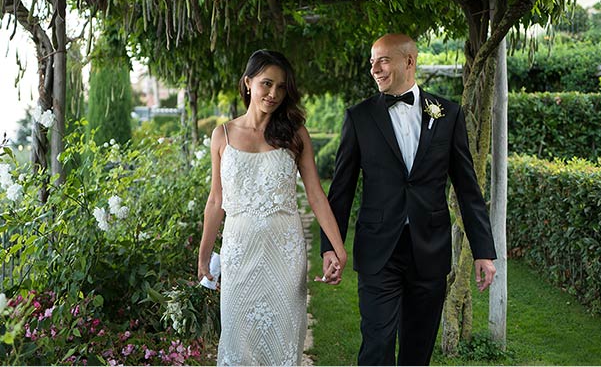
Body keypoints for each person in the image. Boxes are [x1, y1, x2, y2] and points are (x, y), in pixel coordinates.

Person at [320, 33, 497, 366]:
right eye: (372, 62)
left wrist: (483, 252)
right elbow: (340, 190)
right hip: (377, 251)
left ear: (409, 61)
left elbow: (468, 188)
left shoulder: (448, 114)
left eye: (383, 60)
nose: (375, 69)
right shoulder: (359, 117)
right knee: (377, 345)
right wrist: (330, 246)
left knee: (417, 352)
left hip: (429, 249)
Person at [198, 49, 348, 366]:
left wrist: (338, 247)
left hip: (285, 252)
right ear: (248, 83)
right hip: (239, 253)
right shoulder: (222, 135)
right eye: (267, 83)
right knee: (239, 342)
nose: (274, 94)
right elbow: (215, 200)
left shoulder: (295, 134)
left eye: (281, 87)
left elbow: (316, 195)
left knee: (283, 342)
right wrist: (204, 255)